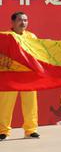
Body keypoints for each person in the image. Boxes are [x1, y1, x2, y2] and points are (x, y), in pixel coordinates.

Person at [0, 12, 40, 140]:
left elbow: (37, 53)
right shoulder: (6, 36)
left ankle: (30, 130)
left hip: (28, 74)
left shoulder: (32, 37)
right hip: (10, 74)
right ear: (12, 22)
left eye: (25, 20)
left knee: (30, 103)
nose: (23, 23)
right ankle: (3, 131)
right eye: (20, 20)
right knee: (5, 104)